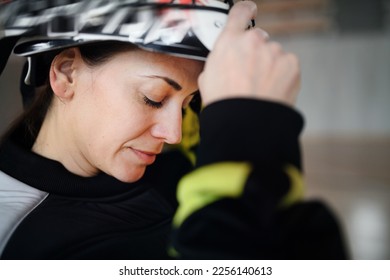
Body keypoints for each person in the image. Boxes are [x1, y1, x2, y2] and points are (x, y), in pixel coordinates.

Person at [0, 0, 348, 259]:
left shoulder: (178, 170)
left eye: (188, 104)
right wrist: (246, 141)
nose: (174, 134)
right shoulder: (21, 236)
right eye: (153, 98)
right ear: (65, 74)